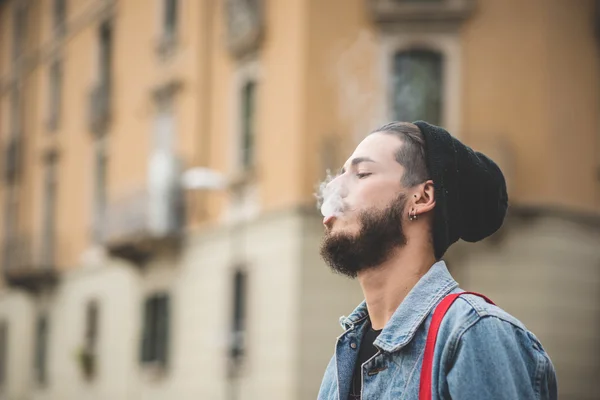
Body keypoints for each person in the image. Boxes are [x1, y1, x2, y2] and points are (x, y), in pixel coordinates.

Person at [317, 121, 557, 400]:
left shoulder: (472, 335)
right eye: (339, 175)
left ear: (421, 197)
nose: (334, 188)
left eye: (363, 173)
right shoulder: (343, 359)